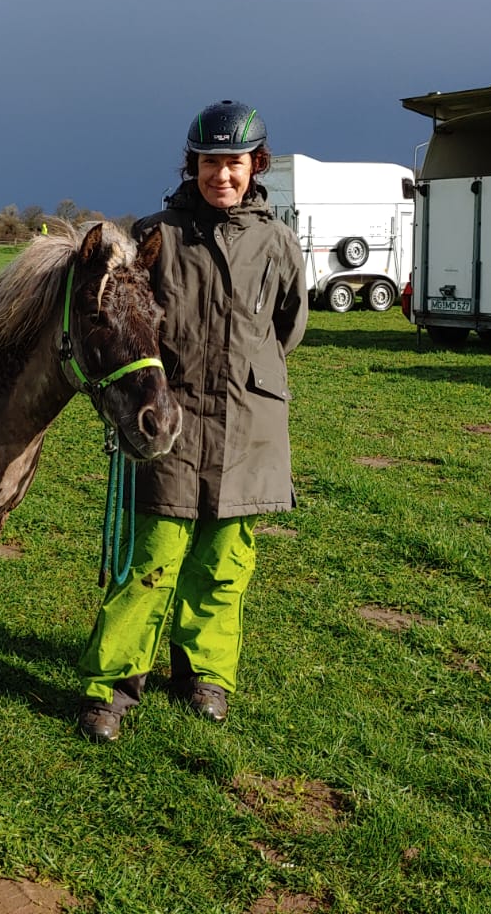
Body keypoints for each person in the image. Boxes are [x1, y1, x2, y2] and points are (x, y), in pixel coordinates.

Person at [76, 99, 308, 743]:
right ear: (193, 165)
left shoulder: (277, 242)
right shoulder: (156, 236)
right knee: (150, 560)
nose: (222, 176)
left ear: (255, 165)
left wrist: (246, 375)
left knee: (224, 562)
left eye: (235, 163)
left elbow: (289, 326)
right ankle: (113, 688)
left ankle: (204, 675)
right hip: (167, 426)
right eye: (210, 163)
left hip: (249, 425)